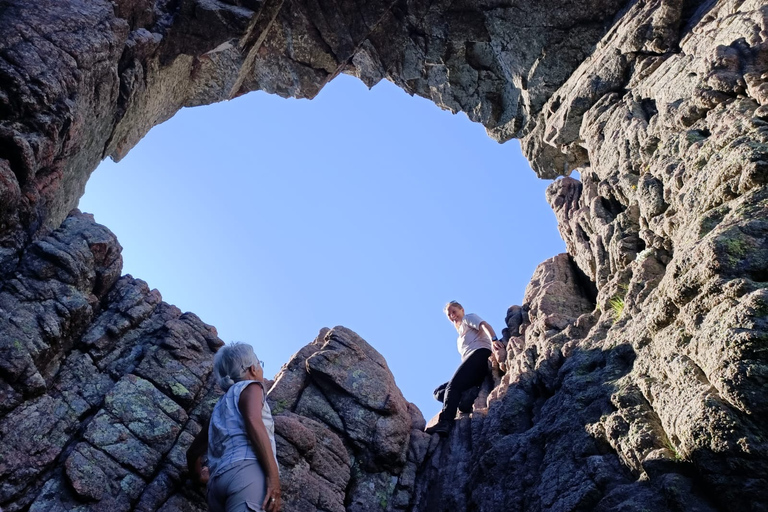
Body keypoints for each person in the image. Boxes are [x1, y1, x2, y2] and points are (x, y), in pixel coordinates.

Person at [187, 342, 282, 512]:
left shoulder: (220, 407)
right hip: (246, 474)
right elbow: (254, 422)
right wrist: (274, 480)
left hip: (216, 486)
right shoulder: (252, 387)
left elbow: (193, 452)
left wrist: (199, 476)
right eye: (260, 363)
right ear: (253, 368)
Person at [425, 301, 503, 436]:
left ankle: (446, 423)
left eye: (454, 311)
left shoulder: (468, 318)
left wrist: (494, 339)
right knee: (438, 392)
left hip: (480, 354)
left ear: (461, 310)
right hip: (470, 363)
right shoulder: (459, 337)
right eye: (449, 314)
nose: (452, 315)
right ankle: (467, 397)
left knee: (452, 387)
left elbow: (484, 325)